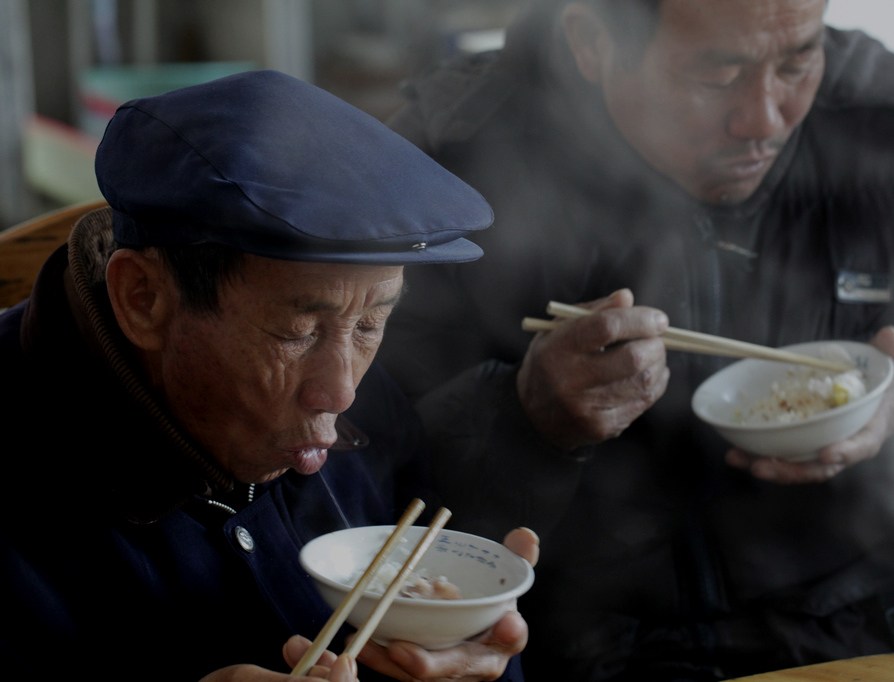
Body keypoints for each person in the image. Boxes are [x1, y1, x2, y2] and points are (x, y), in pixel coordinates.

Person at [378, 1, 894, 680]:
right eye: (718, 76)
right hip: (569, 652)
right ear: (593, 42)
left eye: (798, 59)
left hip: (866, 637)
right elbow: (354, 487)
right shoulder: (451, 155)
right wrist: (528, 419)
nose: (765, 120)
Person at [0, 70, 540, 682]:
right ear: (144, 298)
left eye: (371, 324)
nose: (341, 393)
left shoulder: (358, 402)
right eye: (298, 332)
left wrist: (464, 654)